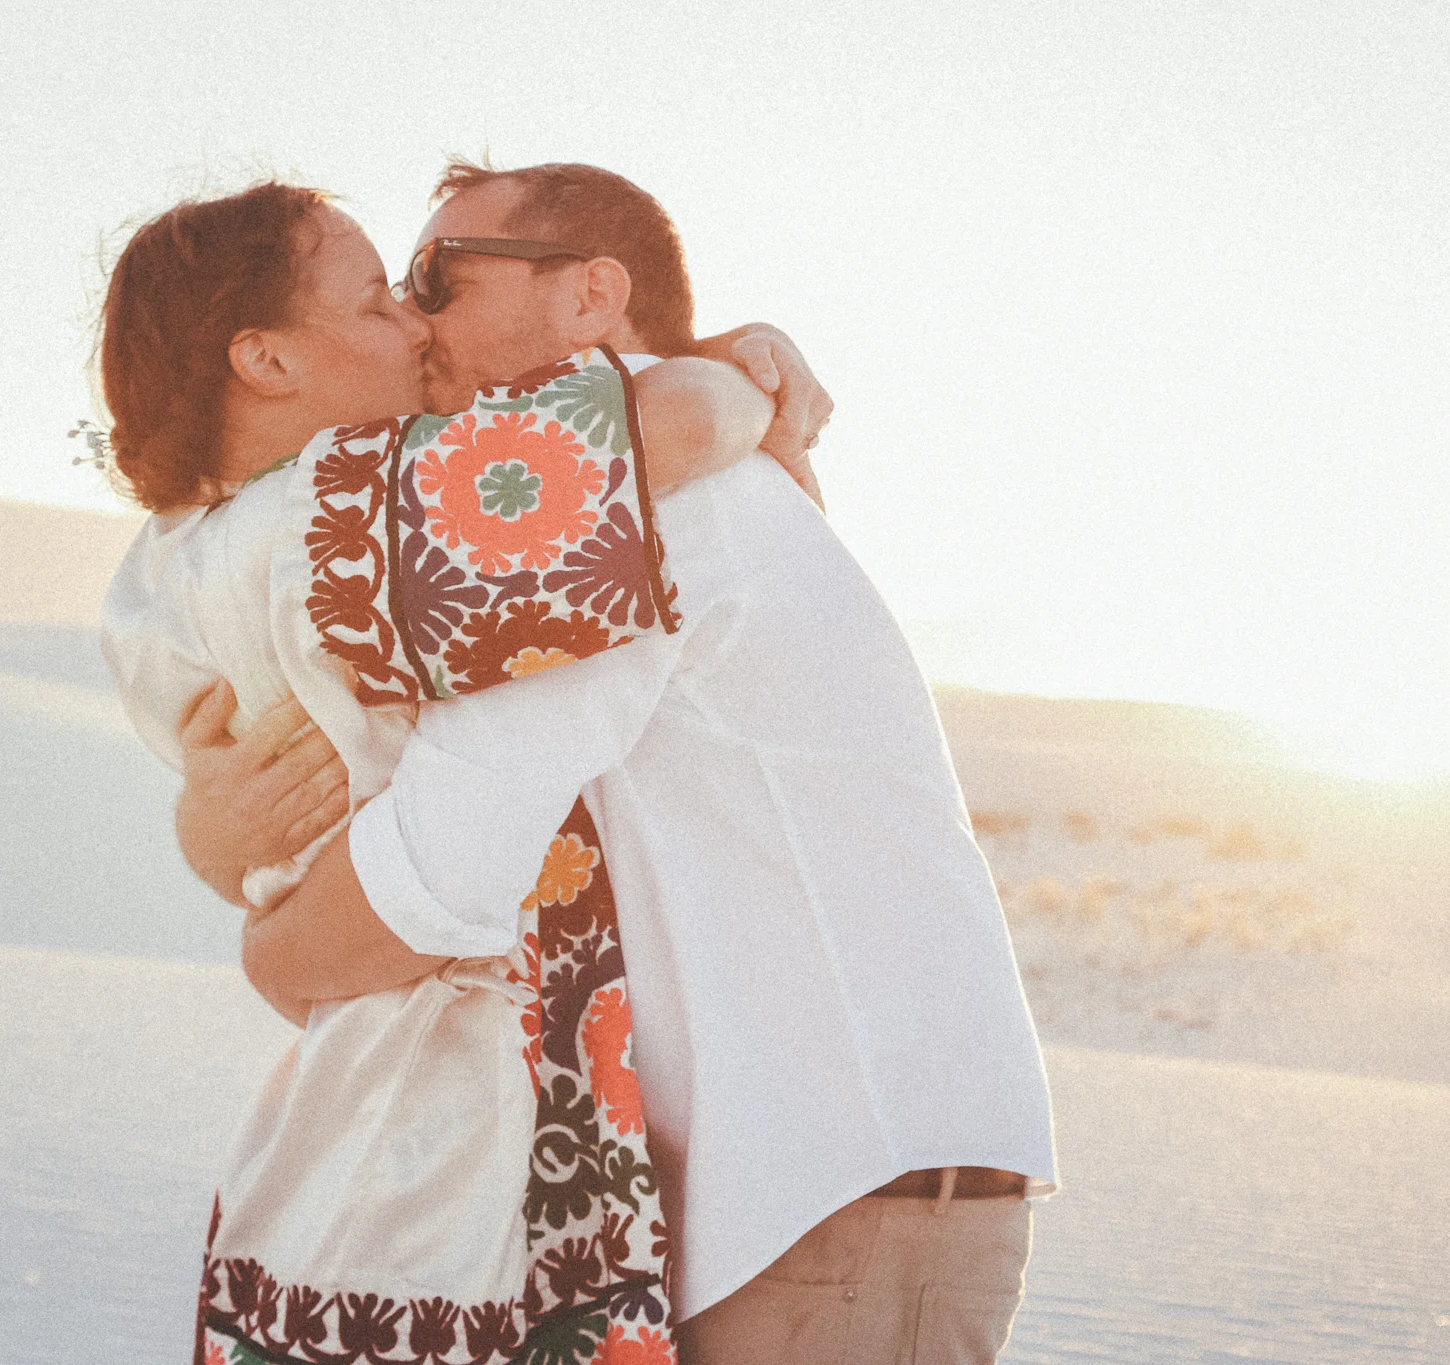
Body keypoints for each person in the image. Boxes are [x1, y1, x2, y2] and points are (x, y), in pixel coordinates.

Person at [179, 162, 1057, 1365]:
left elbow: (433, 881)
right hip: (806, 1198)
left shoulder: (618, 495)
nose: (410, 319)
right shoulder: (621, 463)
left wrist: (269, 944)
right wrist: (215, 822)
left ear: (593, 295)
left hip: (833, 1211)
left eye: (437, 276)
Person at [95, 179, 825, 1364]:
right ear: (267, 361)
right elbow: (680, 429)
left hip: (336, 1137)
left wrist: (217, 852)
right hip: (438, 1168)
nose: (416, 323)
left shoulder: (158, 575)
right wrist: (741, 370)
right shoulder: (352, 519)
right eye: (380, 294)